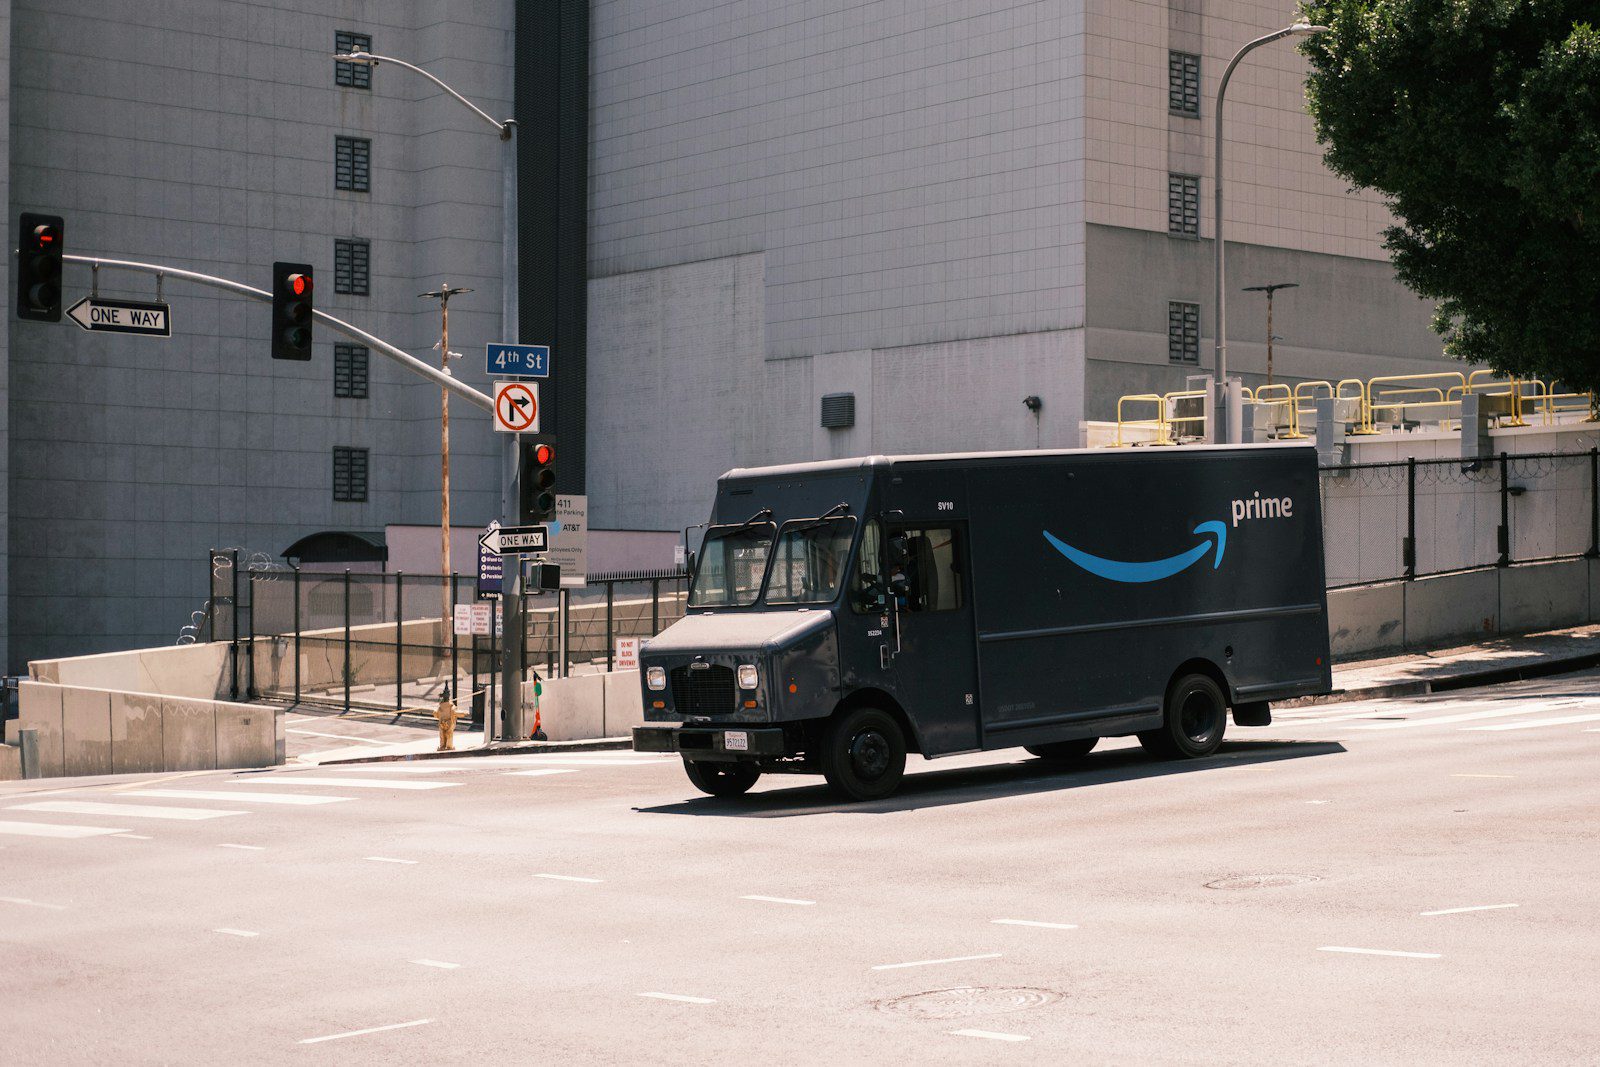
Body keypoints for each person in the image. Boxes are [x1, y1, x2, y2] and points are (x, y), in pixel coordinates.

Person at [435, 683, 457, 752]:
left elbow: (453, 711)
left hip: (447, 721)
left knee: (447, 734)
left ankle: (446, 745)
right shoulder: (444, 705)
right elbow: (437, 712)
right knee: (444, 734)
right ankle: (444, 745)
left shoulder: (450, 706)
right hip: (445, 721)